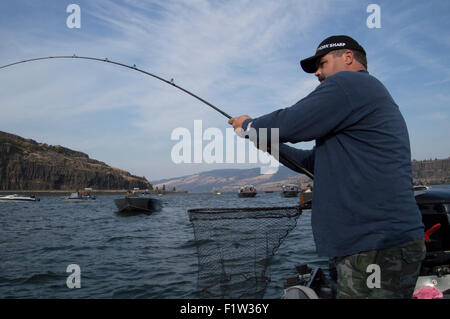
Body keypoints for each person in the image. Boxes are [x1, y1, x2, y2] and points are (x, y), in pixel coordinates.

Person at [228, 35, 425, 299]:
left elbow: (292, 121)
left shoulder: (350, 83)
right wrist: (269, 145)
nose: (318, 73)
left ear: (347, 57)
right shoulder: (359, 100)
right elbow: (311, 163)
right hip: (370, 244)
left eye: (322, 63)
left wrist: (250, 126)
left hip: (375, 243)